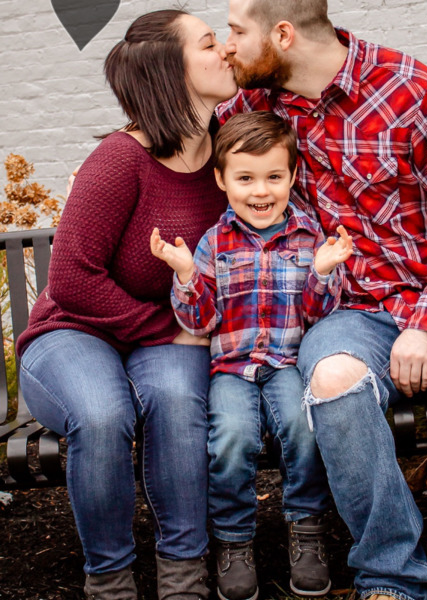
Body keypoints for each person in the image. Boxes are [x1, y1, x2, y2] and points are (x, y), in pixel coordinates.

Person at [216, 2, 427, 600]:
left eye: (235, 31)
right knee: (332, 380)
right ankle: (390, 572)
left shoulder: (410, 89)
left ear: (282, 35)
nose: (227, 45)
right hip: (348, 311)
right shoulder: (256, 106)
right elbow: (179, 130)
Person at [16, 9, 237, 600]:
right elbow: (70, 279)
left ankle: (183, 574)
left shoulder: (229, 156)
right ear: (170, 70)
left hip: (163, 332)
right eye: (210, 43)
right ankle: (110, 579)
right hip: (75, 330)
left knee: (176, 399)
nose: (226, 50)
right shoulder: (121, 159)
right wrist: (169, 327)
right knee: (101, 414)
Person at [150, 110, 353, 600]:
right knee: (230, 439)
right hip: (231, 370)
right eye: (245, 179)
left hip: (286, 364)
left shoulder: (310, 236)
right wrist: (185, 275)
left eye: (273, 177)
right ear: (221, 180)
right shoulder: (213, 243)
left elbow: (318, 315)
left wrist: (324, 272)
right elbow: (200, 322)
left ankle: (307, 530)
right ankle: (234, 541)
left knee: (304, 429)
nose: (261, 191)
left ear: (292, 176)